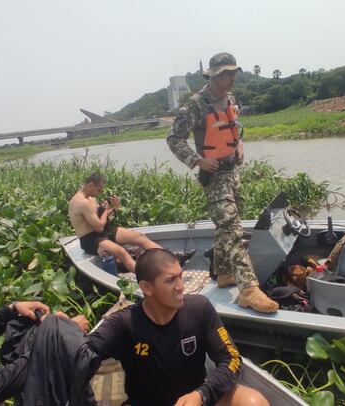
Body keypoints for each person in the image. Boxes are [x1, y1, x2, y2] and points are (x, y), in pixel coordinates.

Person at [166, 52, 278, 313]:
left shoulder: (230, 99)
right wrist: (197, 160)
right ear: (214, 75)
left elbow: (234, 127)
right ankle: (248, 289)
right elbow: (173, 139)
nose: (232, 77)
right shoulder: (195, 105)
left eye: (233, 72)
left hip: (233, 172)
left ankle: (225, 272)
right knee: (230, 228)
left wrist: (239, 144)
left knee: (226, 226)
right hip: (214, 176)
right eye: (226, 73)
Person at [87, 248, 269, 406]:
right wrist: (62, 326)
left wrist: (202, 394)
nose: (181, 286)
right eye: (170, 280)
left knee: (253, 401)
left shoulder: (200, 309)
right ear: (147, 288)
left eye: (180, 276)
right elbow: (81, 353)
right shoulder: (124, 323)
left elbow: (232, 359)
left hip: (195, 399)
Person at [68, 172, 193, 273]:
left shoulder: (91, 197)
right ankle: (147, 279)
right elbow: (99, 227)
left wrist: (114, 208)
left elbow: (102, 220)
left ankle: (172, 260)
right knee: (122, 253)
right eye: (99, 190)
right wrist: (106, 210)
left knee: (140, 237)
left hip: (103, 232)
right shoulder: (81, 202)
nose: (99, 193)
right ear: (90, 185)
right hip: (91, 239)